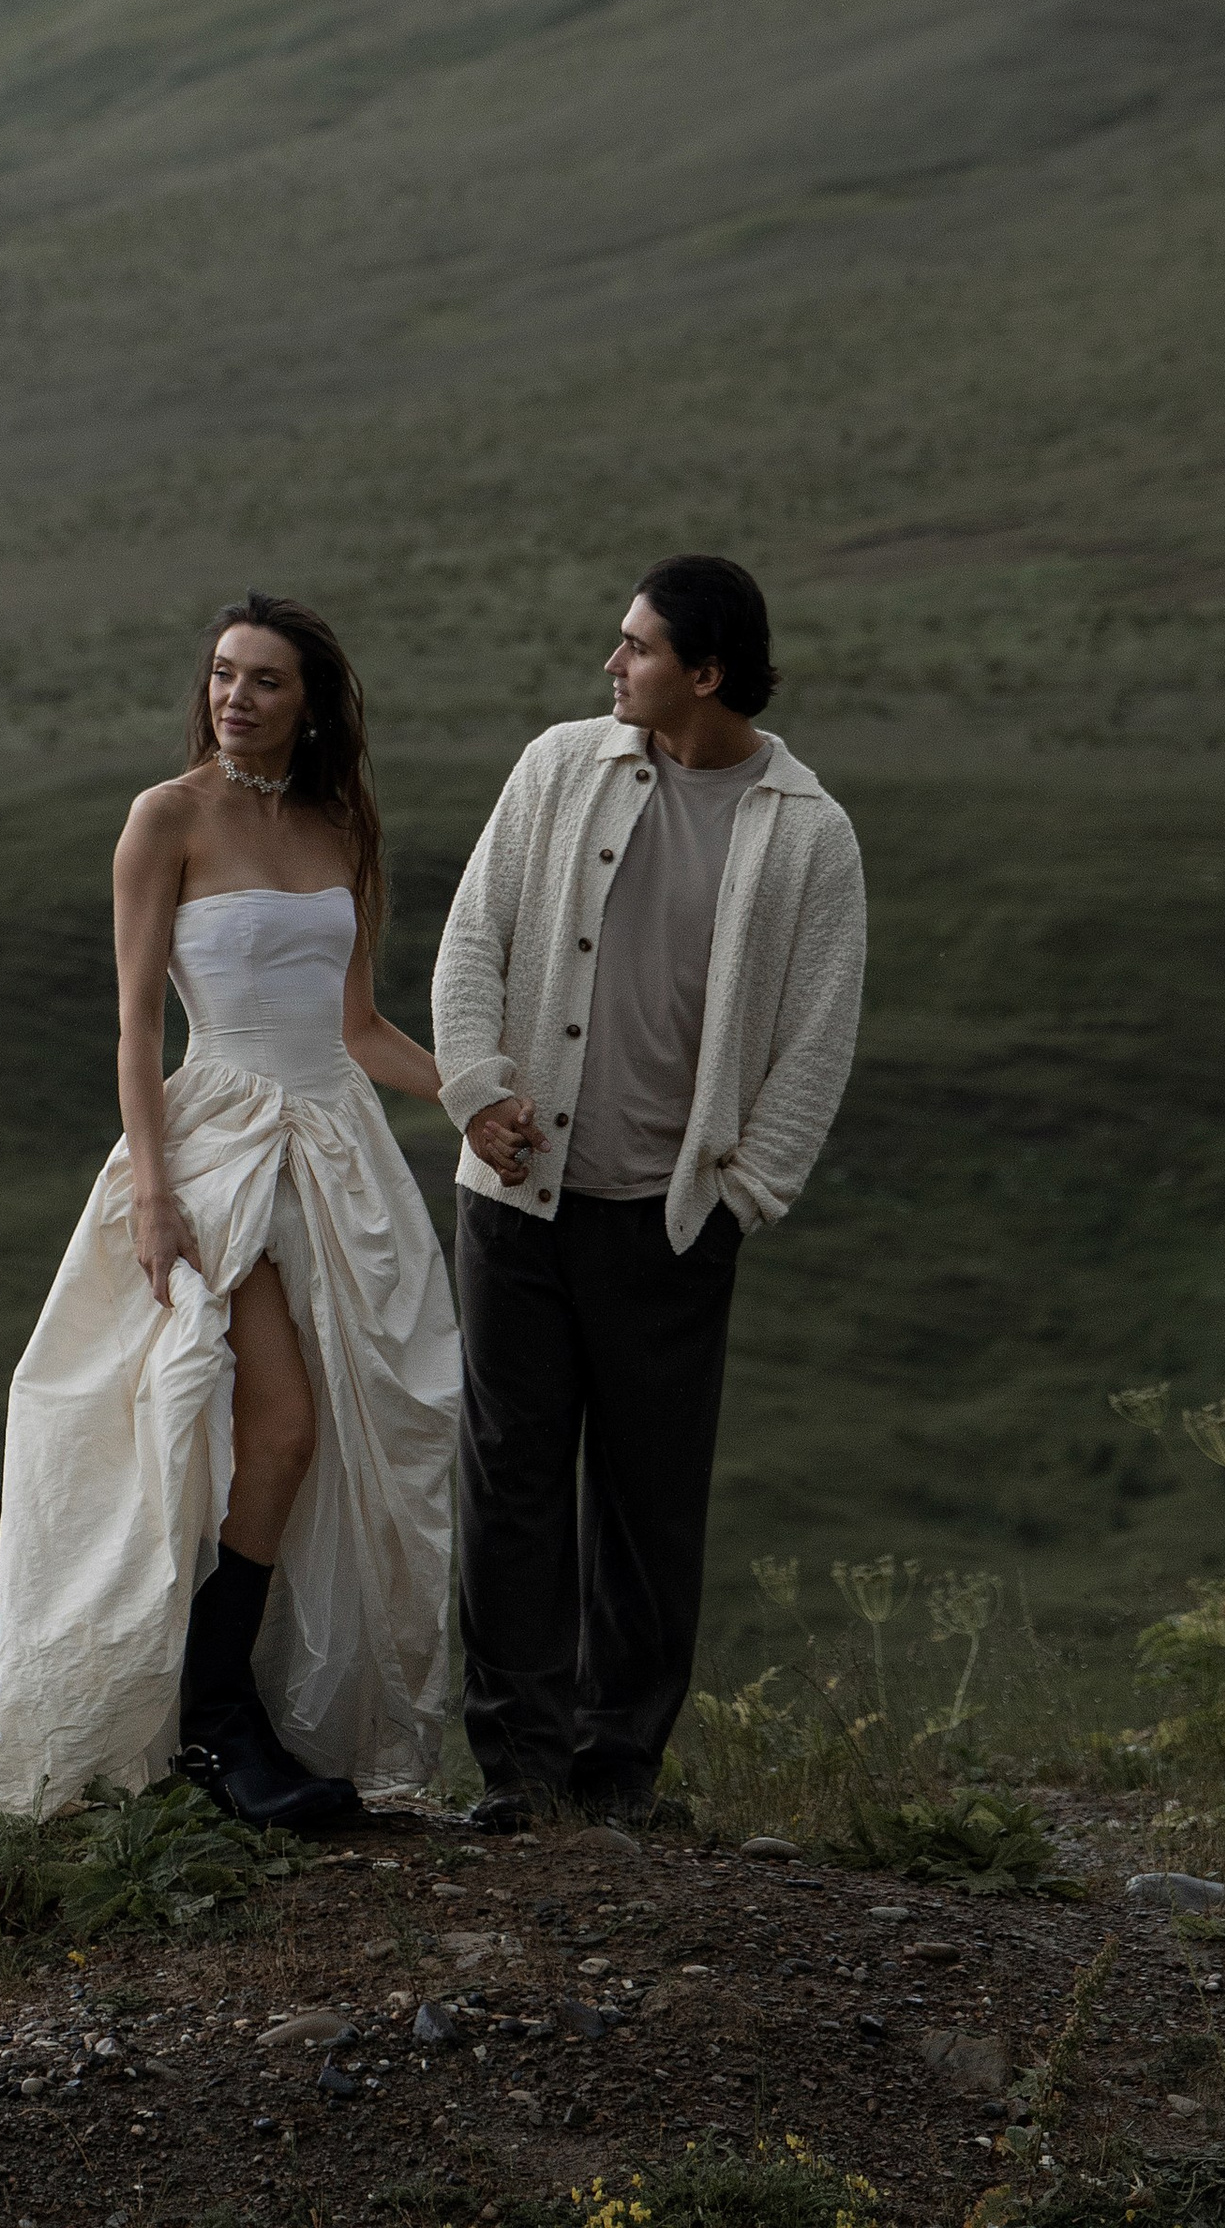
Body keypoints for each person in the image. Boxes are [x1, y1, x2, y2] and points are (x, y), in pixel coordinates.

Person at [0, 593, 459, 1832]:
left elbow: (357, 1028)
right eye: (223, 674)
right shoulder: (164, 818)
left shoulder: (342, 822)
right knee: (269, 1422)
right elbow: (132, 1022)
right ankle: (213, 1722)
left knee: (357, 1426)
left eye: (265, 680)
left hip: (338, 1142)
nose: (235, 696)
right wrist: (156, 1190)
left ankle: (243, 1706)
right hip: (219, 1142)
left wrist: (476, 1091)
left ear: (312, 704)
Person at [430, 553, 866, 1827]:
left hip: (669, 1218)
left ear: (706, 673)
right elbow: (474, 938)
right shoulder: (559, 766)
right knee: (510, 1481)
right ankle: (519, 1774)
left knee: (647, 1499)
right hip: (517, 1194)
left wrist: (745, 1194)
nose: (610, 664)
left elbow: (817, 1033)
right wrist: (475, 1092)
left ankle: (619, 1775)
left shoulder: (807, 833)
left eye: (635, 647)